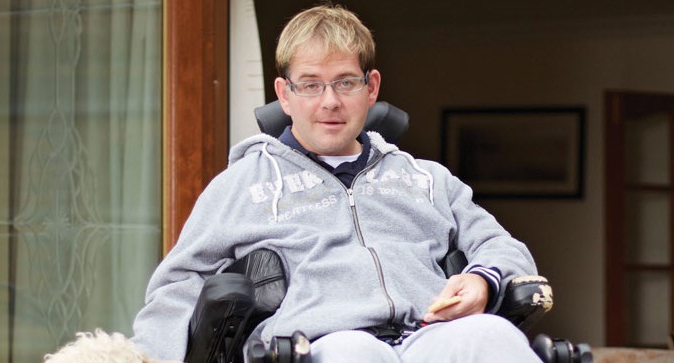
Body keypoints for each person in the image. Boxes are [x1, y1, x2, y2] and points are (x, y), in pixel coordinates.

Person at [130, 4, 541, 362]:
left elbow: (501, 245)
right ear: (284, 94)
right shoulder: (241, 186)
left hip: (429, 334)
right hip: (321, 344)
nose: (330, 101)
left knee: (493, 335)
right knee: (352, 354)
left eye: (346, 82)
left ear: (371, 88)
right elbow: (179, 283)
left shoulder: (426, 178)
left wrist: (482, 279)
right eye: (310, 84)